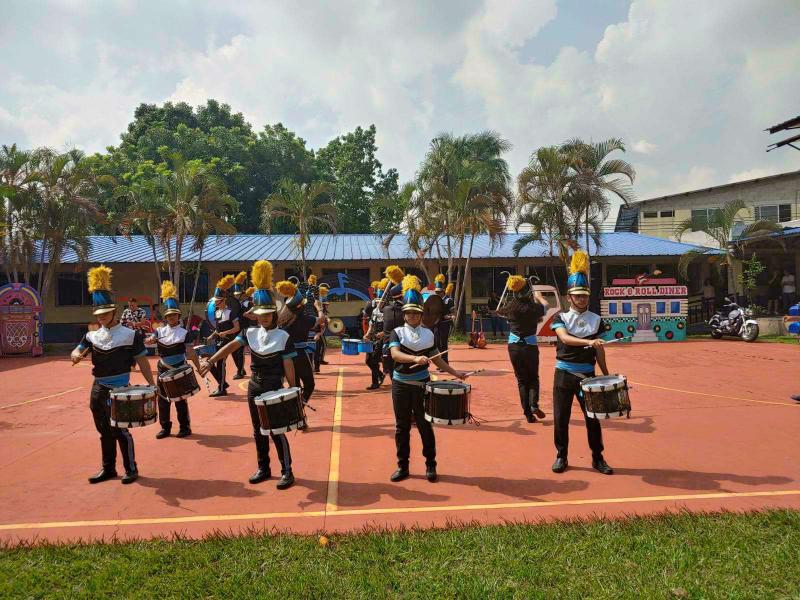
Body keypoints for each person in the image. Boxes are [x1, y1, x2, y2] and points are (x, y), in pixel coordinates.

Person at [200, 260, 298, 490]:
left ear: (274, 314)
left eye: (267, 314)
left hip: (274, 387)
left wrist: (294, 389)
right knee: (258, 430)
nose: (263, 318)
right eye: (259, 314)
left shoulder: (283, 337)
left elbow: (289, 366)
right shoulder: (249, 332)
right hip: (254, 386)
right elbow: (230, 347)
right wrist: (211, 360)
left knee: (276, 430)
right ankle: (264, 467)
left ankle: (287, 471)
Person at [70, 266, 155, 485]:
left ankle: (131, 468)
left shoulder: (130, 335)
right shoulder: (91, 336)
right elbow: (77, 349)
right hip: (97, 388)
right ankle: (108, 468)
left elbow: (143, 362)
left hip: (120, 389)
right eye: (98, 315)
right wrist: (76, 354)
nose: (101, 318)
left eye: (105, 314)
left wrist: (151, 384)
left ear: (114, 312)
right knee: (103, 431)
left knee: (120, 430)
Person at [388, 275, 469, 483]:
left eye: (416, 313)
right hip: (401, 386)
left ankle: (430, 465)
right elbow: (395, 355)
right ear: (404, 314)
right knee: (402, 427)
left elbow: (437, 359)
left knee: (425, 426)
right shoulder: (397, 333)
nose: (412, 316)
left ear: (421, 314)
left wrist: (455, 373)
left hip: (422, 386)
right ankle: (403, 466)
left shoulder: (428, 334)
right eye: (409, 313)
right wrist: (415, 358)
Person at [550, 250, 613, 476]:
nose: (582, 299)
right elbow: (565, 339)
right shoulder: (560, 318)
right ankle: (561, 456)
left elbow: (600, 350)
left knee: (593, 418)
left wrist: (606, 374)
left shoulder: (596, 320)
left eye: (585, 296)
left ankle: (598, 458)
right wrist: (589, 341)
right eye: (577, 296)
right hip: (564, 374)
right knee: (561, 418)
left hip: (588, 376)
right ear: (569, 297)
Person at [149, 281, 201, 440]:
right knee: (163, 399)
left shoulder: (185, 333)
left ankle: (185, 427)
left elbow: (191, 352)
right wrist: (150, 339)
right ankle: (165, 427)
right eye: (169, 315)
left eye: (174, 315)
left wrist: (199, 367)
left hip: (178, 368)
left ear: (178, 316)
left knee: (180, 400)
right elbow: (151, 339)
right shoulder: (159, 331)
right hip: (163, 369)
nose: (171, 317)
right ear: (165, 317)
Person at [497, 275, 549, 423]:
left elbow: (499, 311)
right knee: (533, 378)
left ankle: (528, 414)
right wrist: (539, 297)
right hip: (530, 346)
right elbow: (546, 306)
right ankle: (534, 405)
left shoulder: (510, 308)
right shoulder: (534, 308)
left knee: (521, 380)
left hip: (514, 347)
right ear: (529, 292)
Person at [276, 278, 324, 406]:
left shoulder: (282, 318)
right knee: (309, 385)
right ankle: (300, 407)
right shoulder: (304, 319)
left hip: (285, 356)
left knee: (294, 386)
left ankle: (296, 411)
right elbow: (321, 319)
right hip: (299, 355)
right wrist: (319, 308)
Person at [207, 275, 241, 397]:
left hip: (228, 341)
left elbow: (237, 328)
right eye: (215, 301)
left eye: (218, 301)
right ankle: (223, 384)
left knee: (220, 362)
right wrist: (212, 335)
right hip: (219, 341)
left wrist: (226, 333)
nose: (216, 303)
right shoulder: (217, 313)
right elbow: (218, 329)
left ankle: (221, 389)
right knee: (208, 362)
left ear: (224, 300)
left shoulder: (230, 312)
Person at [381, 265, 406, 380]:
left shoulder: (386, 309)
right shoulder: (406, 310)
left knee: (393, 375)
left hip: (389, 347)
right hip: (404, 347)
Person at [363, 279, 387, 390]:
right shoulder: (374, 311)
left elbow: (392, 327)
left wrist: (383, 333)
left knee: (374, 360)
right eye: (377, 302)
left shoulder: (387, 312)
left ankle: (375, 383)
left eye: (381, 302)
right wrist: (367, 334)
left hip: (382, 339)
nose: (379, 303)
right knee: (368, 361)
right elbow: (371, 324)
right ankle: (380, 375)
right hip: (373, 338)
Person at [231, 271, 249, 379]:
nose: (236, 297)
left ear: (243, 294)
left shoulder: (248, 303)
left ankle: (240, 371)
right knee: (236, 351)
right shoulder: (237, 304)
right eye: (235, 295)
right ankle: (240, 369)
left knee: (240, 351)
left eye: (238, 295)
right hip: (239, 329)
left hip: (248, 329)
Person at [313, 284, 331, 370]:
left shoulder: (321, 309)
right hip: (317, 330)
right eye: (326, 304)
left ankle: (317, 364)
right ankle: (318, 363)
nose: (327, 305)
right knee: (320, 346)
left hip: (319, 330)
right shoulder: (318, 309)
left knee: (318, 347)